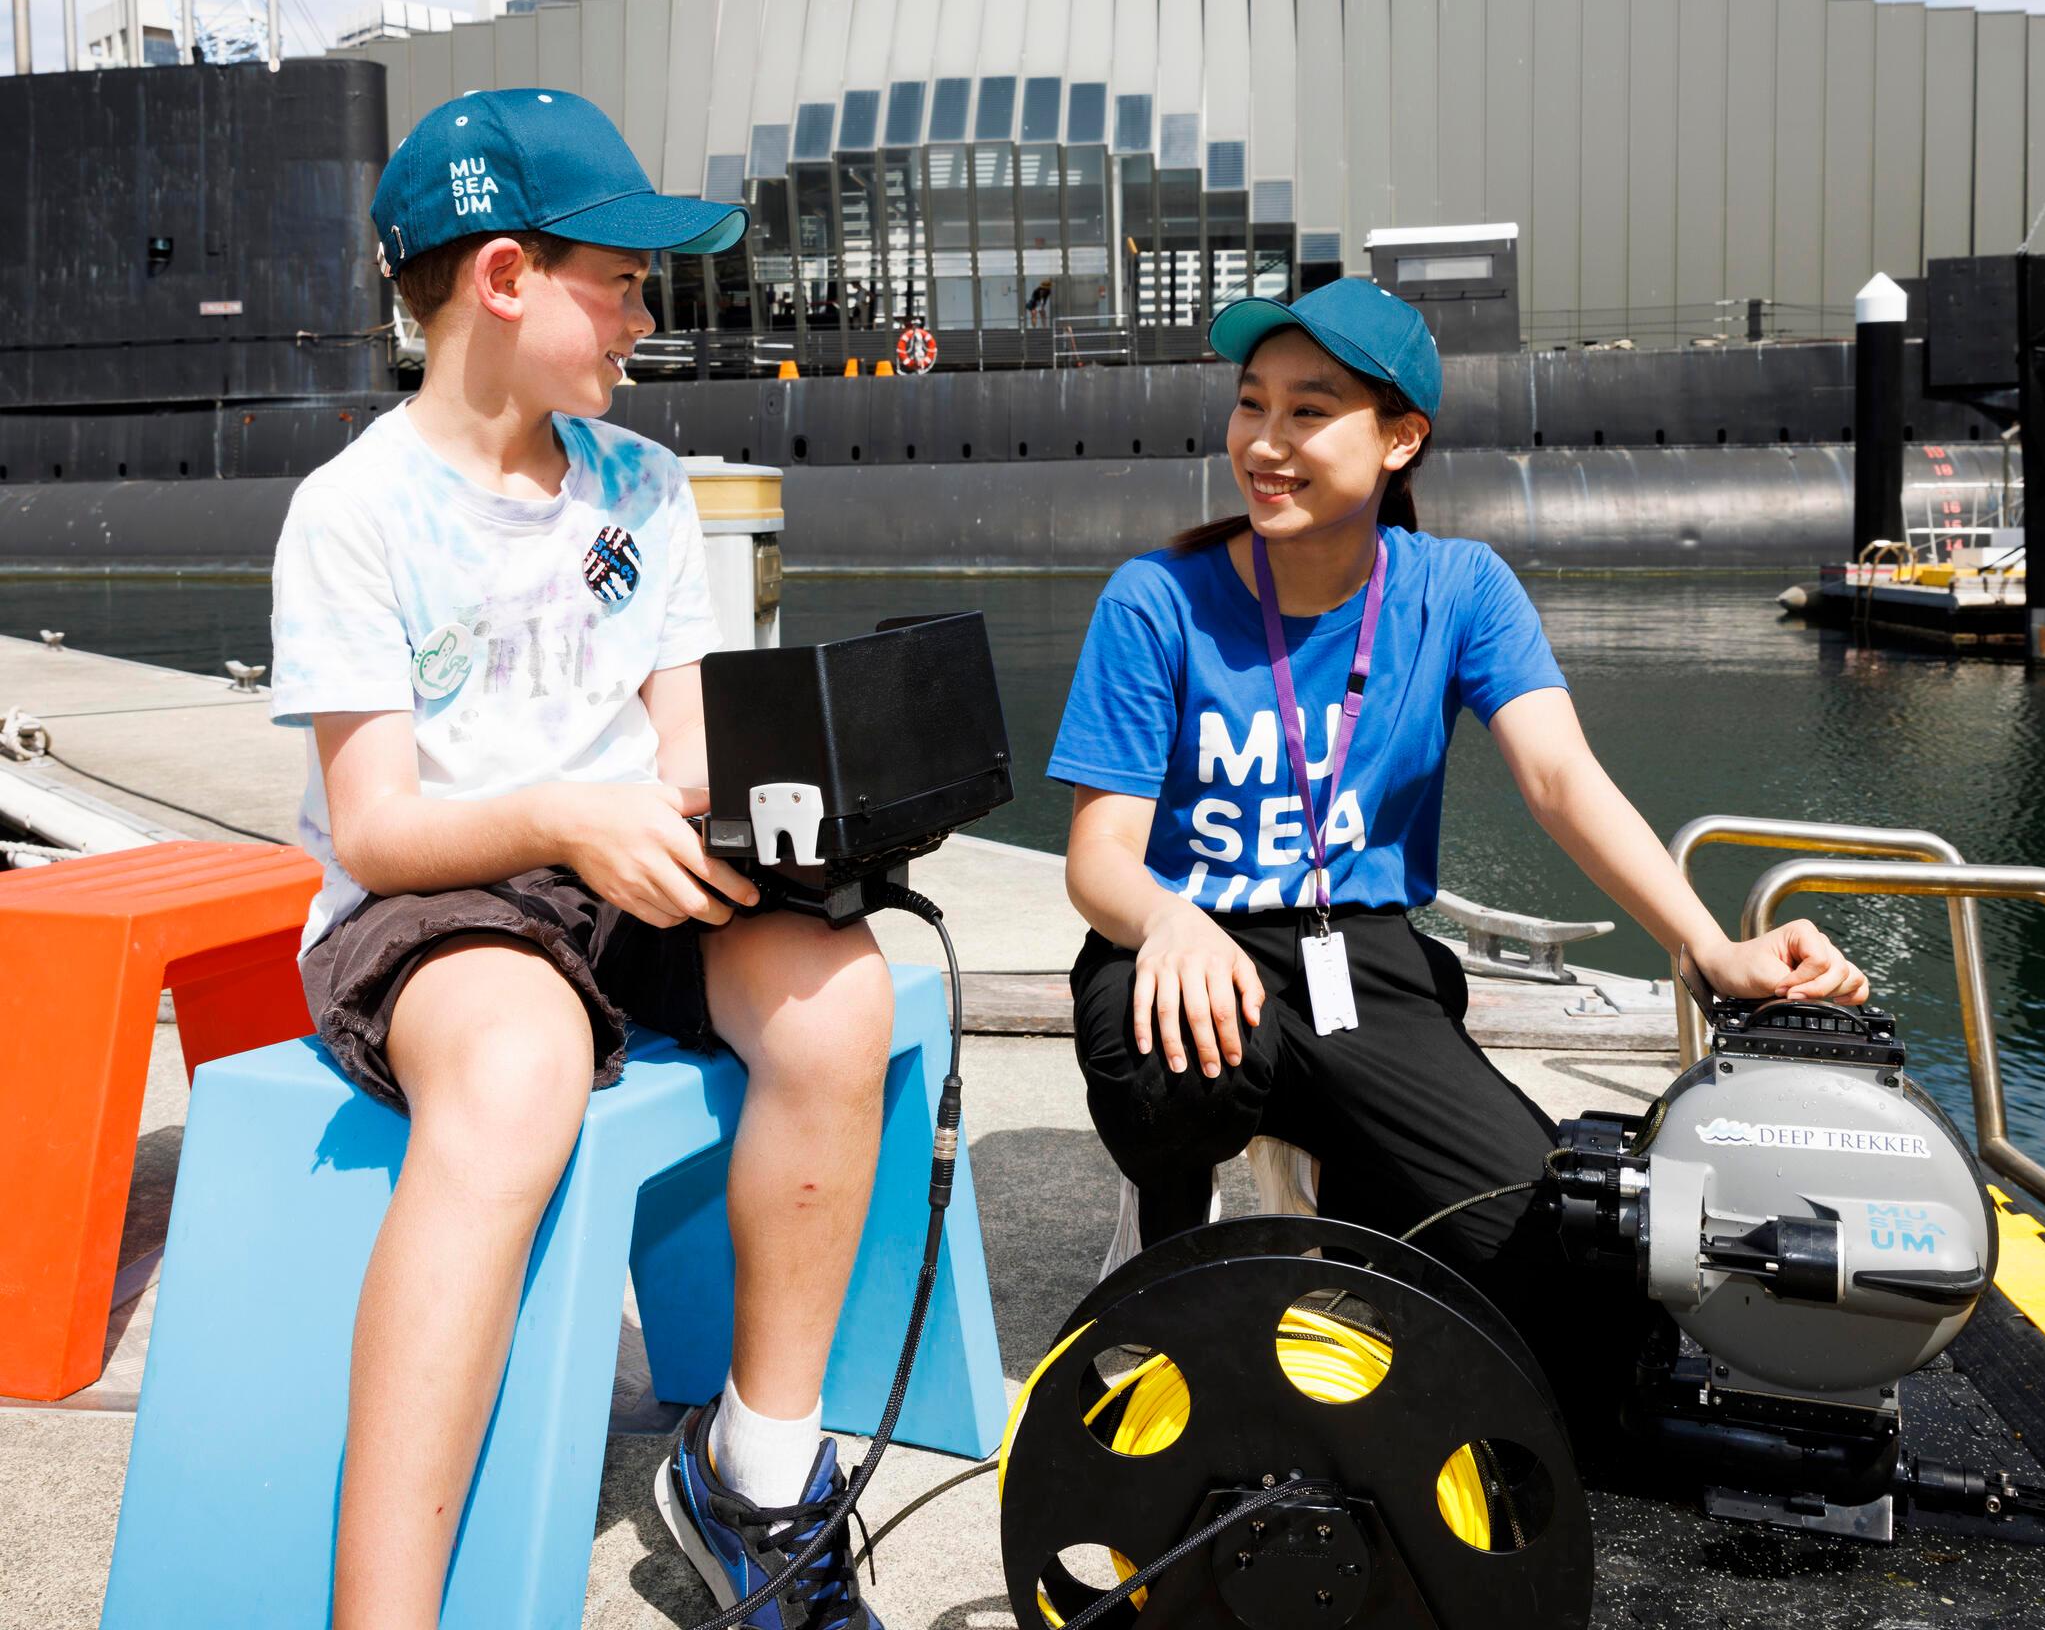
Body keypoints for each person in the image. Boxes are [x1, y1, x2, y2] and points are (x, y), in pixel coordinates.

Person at [270, 89, 892, 1630]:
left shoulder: (647, 485)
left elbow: (681, 757)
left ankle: (756, 1471)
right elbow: (378, 828)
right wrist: (563, 817)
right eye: (617, 276)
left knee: (842, 998)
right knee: (518, 1070)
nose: (643, 312)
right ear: (501, 279)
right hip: (441, 895)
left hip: (623, 864)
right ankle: (385, 1611)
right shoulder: (348, 516)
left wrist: (761, 826)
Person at [1047, 277, 1869, 1444]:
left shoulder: (1457, 588)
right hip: (1185, 942)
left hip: (1357, 952)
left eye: (1307, 412)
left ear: (1398, 439)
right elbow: (1099, 860)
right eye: (1249, 405)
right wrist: (1172, 922)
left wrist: (1707, 944)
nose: (1264, 444)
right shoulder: (1156, 601)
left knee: (1574, 1309)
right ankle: (1161, 1238)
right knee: (1175, 1056)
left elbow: (1559, 778)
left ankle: (1350, 1186)